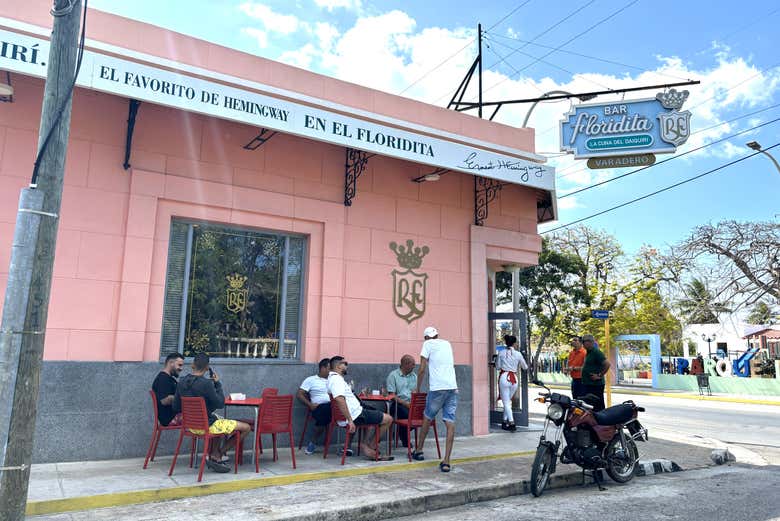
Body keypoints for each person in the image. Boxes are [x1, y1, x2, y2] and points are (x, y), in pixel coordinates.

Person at [172, 353, 251, 473]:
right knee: (246, 428)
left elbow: (176, 406)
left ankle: (215, 455)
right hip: (207, 427)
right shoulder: (207, 384)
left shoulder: (181, 382)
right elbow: (220, 404)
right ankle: (219, 453)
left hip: (190, 427)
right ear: (207, 368)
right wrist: (217, 384)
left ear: (192, 365)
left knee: (218, 419)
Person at [327, 356, 394, 461]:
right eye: (345, 363)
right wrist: (349, 420)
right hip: (356, 415)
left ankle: (366, 444)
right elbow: (340, 399)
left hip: (357, 412)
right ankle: (369, 447)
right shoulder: (336, 380)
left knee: (373, 415)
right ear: (339, 366)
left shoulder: (335, 379)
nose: (347, 366)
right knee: (388, 419)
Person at [413, 326, 458, 473]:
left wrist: (417, 388)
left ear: (426, 337)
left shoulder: (427, 344)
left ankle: (419, 450)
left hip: (437, 389)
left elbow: (421, 369)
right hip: (452, 388)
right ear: (437, 335)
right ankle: (446, 461)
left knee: (427, 417)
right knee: (449, 422)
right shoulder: (447, 344)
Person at [297, 358, 331, 455]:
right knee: (325, 411)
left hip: (335, 406)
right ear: (323, 368)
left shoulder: (333, 380)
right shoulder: (311, 380)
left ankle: (348, 447)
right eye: (329, 368)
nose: (331, 371)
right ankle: (313, 441)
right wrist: (310, 404)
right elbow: (299, 394)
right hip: (318, 407)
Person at [497, 335, 527, 432]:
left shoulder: (501, 353)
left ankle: (512, 423)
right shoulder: (518, 354)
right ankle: (504, 421)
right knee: (508, 401)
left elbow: (497, 366)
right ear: (514, 343)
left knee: (506, 402)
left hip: (504, 377)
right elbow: (525, 367)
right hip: (514, 379)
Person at [386, 355, 417, 447]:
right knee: (408, 415)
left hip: (411, 403)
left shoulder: (414, 376)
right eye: (413, 364)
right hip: (397, 404)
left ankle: (400, 430)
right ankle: (404, 438)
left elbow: (415, 392)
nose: (414, 366)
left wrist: (413, 403)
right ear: (405, 364)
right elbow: (391, 395)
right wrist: (405, 403)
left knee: (422, 416)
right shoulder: (393, 375)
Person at [152, 352, 184, 427]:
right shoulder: (163, 379)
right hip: (170, 418)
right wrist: (184, 398)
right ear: (171, 363)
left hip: (175, 415)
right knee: (205, 418)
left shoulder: (168, 378)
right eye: (179, 365)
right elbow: (164, 401)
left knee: (205, 416)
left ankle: (203, 438)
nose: (181, 369)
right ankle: (205, 438)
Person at [580, 334, 610, 412]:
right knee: (589, 406)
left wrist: (599, 375)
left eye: (584, 341)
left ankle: (602, 422)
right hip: (588, 384)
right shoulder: (588, 352)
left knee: (598, 406)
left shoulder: (596, 352)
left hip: (595, 385)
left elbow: (607, 364)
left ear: (590, 342)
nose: (582, 344)